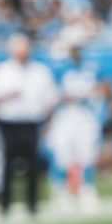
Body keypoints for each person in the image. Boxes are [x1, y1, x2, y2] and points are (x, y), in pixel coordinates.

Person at [0, 34, 59, 217]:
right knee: (7, 164)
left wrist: (48, 121)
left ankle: (32, 203)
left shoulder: (40, 71)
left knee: (33, 164)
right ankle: (5, 203)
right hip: (9, 122)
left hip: (32, 122)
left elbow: (50, 99)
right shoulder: (1, 71)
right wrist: (4, 98)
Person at [46, 44, 102, 213]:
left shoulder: (90, 70)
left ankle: (87, 190)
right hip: (65, 116)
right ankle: (61, 192)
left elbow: (102, 89)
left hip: (84, 115)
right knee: (62, 155)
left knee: (86, 155)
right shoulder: (60, 70)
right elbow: (52, 95)